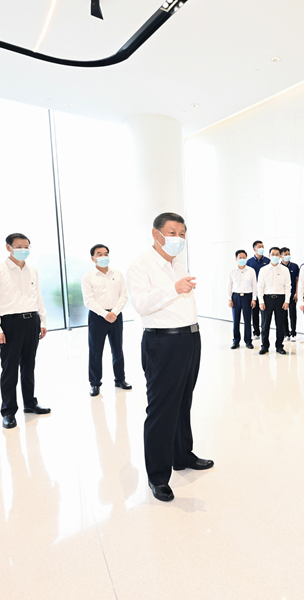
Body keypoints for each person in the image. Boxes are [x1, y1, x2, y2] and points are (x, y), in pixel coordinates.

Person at [127, 212, 212, 503]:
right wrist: (173, 289)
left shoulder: (177, 263)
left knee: (183, 401)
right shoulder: (141, 265)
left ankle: (182, 455)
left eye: (182, 233)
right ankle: (158, 476)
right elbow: (141, 304)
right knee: (162, 409)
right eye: (173, 232)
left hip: (189, 338)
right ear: (156, 234)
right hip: (163, 342)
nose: (178, 238)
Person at [0, 233, 51, 429]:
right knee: (10, 369)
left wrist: (42, 321)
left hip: (32, 321)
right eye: (19, 246)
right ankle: (8, 411)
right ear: (8, 247)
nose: (23, 250)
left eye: (26, 247)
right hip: (9, 323)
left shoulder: (33, 271)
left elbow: (38, 297)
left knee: (29, 366)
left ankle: (30, 403)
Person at [82, 243, 131, 397]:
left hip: (116, 315)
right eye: (99, 254)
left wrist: (114, 312)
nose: (103, 257)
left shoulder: (117, 274)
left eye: (106, 254)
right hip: (97, 317)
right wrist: (105, 314)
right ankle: (95, 384)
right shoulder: (88, 277)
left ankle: (120, 379)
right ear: (93, 258)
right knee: (95, 351)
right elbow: (88, 301)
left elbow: (124, 295)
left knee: (118, 349)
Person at [257, 247, 290, 355]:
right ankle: (264, 346)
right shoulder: (264, 270)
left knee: (280, 324)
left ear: (280, 256)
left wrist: (287, 301)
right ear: (269, 255)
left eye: (277, 254)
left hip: (280, 299)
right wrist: (261, 301)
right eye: (273, 254)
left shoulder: (285, 270)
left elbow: (287, 286)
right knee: (265, 324)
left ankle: (279, 346)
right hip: (267, 299)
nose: (275, 256)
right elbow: (260, 286)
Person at [227, 249, 257, 350]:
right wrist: (229, 298)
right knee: (236, 320)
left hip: (248, 297)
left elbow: (254, 285)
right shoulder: (232, 271)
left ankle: (248, 341)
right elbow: (229, 285)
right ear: (236, 259)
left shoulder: (251, 271)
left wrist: (254, 299)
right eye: (240, 258)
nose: (242, 259)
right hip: (235, 297)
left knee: (247, 320)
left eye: (244, 257)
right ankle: (236, 341)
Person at [246, 240, 270, 339]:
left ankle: (264, 331)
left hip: (265, 291)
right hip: (254, 291)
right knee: (254, 313)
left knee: (265, 313)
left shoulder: (268, 261)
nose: (261, 248)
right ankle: (256, 332)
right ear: (254, 249)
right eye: (259, 247)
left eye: (262, 246)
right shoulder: (249, 262)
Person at [281, 247, 301, 341]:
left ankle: (293, 333)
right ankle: (286, 334)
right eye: (285, 254)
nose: (287, 256)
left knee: (293, 314)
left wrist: (296, 293)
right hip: (282, 295)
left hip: (292, 294)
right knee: (283, 315)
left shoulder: (295, 266)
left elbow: (297, 280)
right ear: (281, 256)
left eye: (288, 254)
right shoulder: (279, 267)